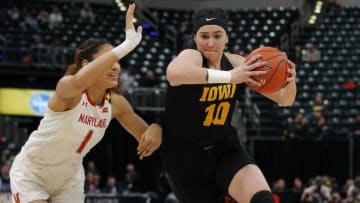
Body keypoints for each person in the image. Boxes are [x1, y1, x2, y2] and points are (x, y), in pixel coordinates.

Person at [9, 4, 162, 203]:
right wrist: (124, 46)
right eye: (109, 59)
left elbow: (146, 138)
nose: (116, 65)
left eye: (117, 61)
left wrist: (157, 128)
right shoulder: (68, 89)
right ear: (86, 65)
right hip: (32, 172)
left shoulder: (116, 104)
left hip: (70, 178)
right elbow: (80, 81)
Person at [159, 8, 297, 203]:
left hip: (224, 148)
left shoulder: (236, 62)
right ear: (195, 38)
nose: (210, 42)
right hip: (185, 158)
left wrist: (289, 80)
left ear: (227, 38)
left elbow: (285, 100)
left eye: (217, 35)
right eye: (204, 36)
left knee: (264, 199)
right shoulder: (192, 56)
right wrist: (231, 77)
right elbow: (174, 73)